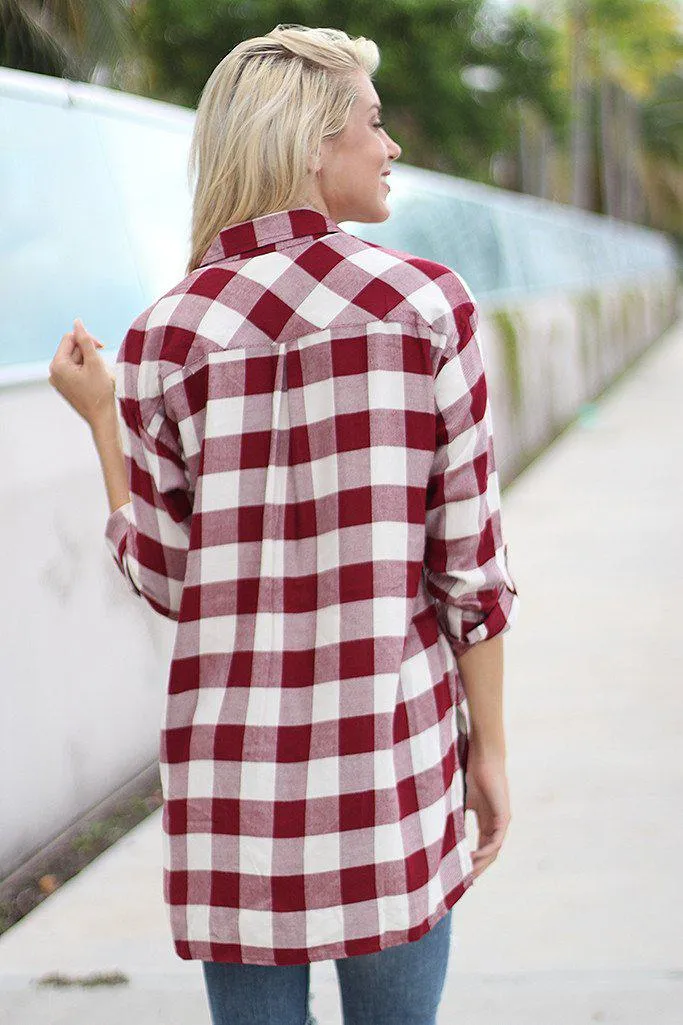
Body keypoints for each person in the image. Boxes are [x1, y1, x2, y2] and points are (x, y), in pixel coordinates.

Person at [49, 25, 519, 1025]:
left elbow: (171, 580)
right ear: (311, 142)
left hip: (237, 798)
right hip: (391, 765)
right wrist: (489, 749)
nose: (389, 148)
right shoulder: (428, 305)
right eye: (374, 123)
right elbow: (470, 571)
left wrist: (101, 418)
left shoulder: (162, 337)